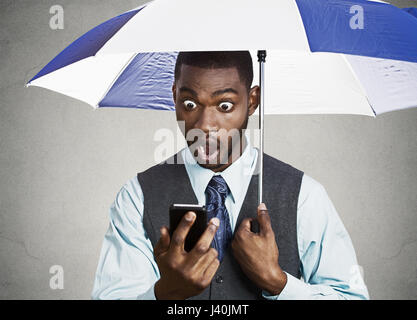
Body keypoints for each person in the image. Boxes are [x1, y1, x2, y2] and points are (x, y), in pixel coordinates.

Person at [91, 51, 369, 300]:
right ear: (174, 96)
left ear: (252, 101)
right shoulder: (136, 196)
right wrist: (163, 294)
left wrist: (279, 284)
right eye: (189, 104)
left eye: (224, 106)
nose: (204, 125)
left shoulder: (304, 196)